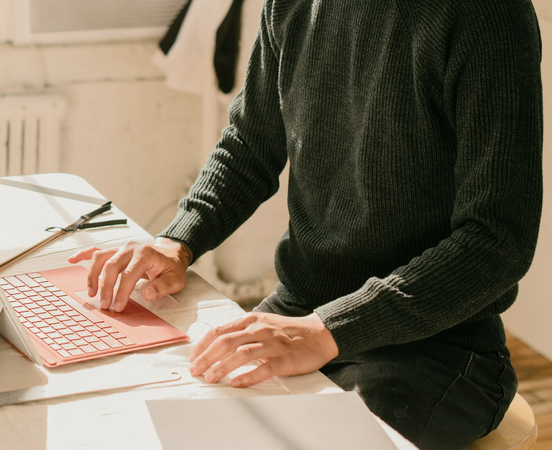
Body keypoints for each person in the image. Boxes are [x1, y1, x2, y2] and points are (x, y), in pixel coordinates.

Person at [69, 0, 544, 448]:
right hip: (302, 311)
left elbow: (497, 241)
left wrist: (327, 330)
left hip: (436, 352)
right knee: (150, 416)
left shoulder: (489, 15)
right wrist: (178, 241)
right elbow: (251, 144)